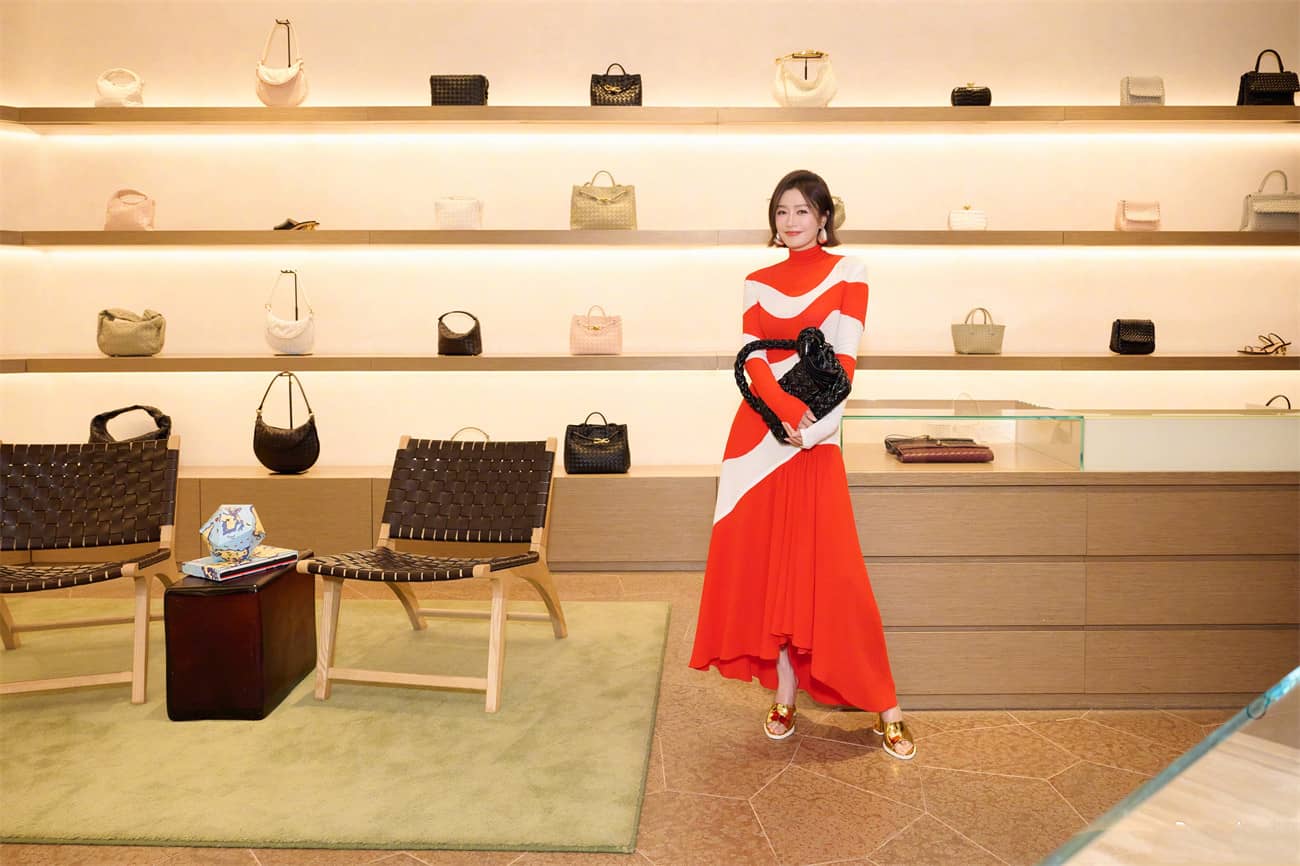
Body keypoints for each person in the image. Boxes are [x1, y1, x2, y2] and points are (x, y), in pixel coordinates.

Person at [689, 169, 915, 759]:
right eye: (781, 211)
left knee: (833, 573)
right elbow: (752, 360)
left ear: (823, 217)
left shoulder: (850, 271)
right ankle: (784, 696)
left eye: (801, 211)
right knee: (770, 572)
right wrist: (785, 412)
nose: (790, 222)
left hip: (817, 434)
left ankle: (886, 704)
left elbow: (846, 357)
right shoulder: (756, 280)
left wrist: (812, 425)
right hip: (758, 439)